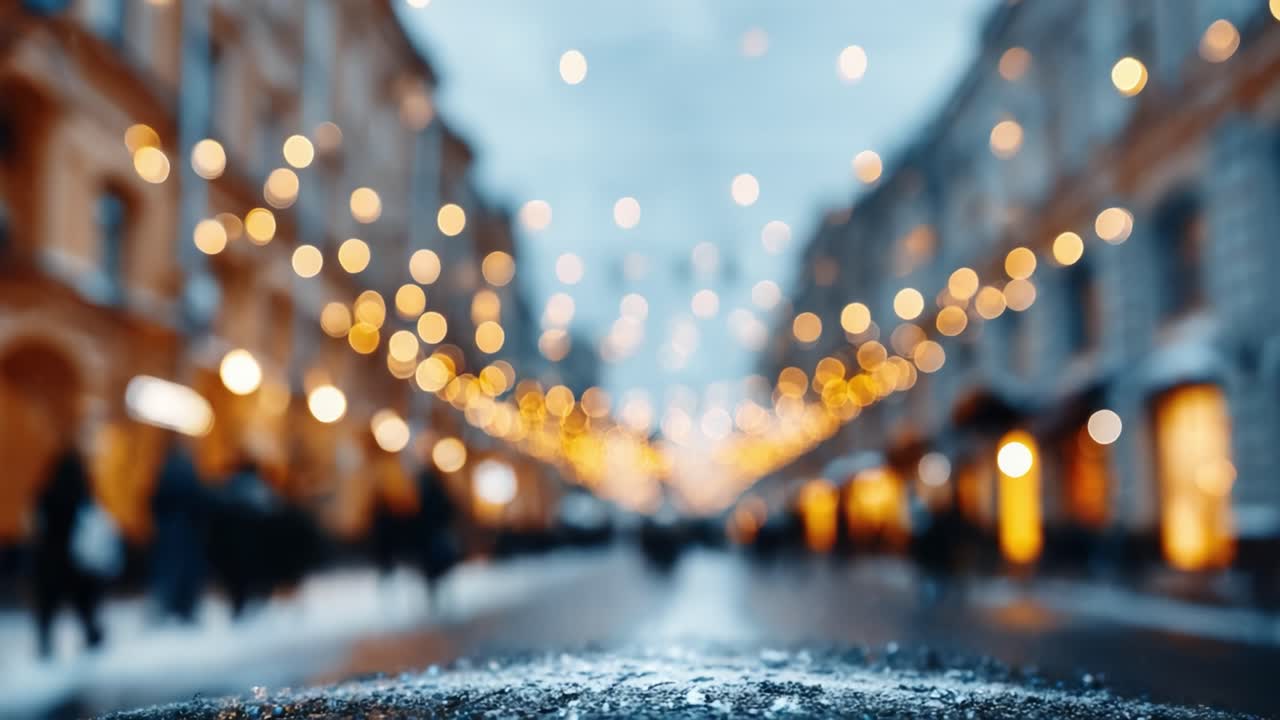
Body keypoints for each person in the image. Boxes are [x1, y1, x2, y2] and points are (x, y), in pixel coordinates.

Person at [32, 442, 104, 657]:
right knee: (83, 602)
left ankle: (46, 643)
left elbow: (38, 525)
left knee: (48, 604)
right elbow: (92, 523)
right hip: (78, 559)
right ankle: (92, 635)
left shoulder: (46, 493)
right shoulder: (83, 494)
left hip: (51, 558)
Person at [148, 438, 209, 622]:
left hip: (170, 532)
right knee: (185, 571)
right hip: (186, 534)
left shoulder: (166, 472)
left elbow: (156, 501)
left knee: (170, 570)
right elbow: (199, 502)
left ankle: (169, 607)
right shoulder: (189, 472)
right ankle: (184, 608)